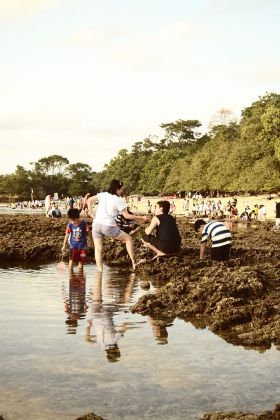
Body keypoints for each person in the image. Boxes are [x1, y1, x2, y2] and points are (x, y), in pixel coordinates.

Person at [87, 179, 149, 272]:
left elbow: (89, 200)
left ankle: (100, 272)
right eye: (121, 189)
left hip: (96, 225)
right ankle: (133, 262)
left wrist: (91, 213)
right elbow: (127, 216)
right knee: (128, 239)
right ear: (117, 189)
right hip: (107, 226)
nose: (122, 191)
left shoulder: (103, 195)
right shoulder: (118, 200)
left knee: (98, 249)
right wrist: (142, 218)